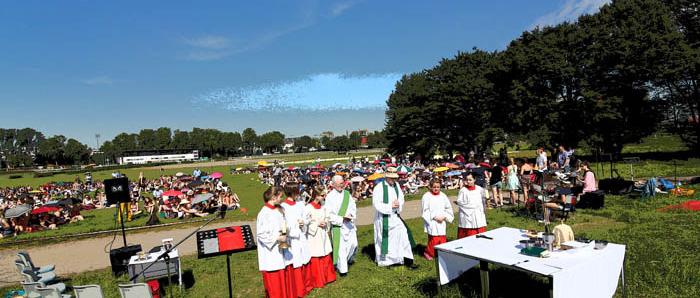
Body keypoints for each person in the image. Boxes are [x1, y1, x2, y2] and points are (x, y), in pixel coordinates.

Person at [372, 167, 416, 268]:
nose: (393, 180)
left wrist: (398, 204)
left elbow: (401, 198)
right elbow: (376, 204)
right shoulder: (379, 187)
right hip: (384, 218)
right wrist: (390, 206)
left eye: (394, 178)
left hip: (395, 216)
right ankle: (387, 262)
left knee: (403, 236)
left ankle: (407, 260)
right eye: (391, 178)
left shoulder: (396, 186)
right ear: (386, 177)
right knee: (386, 240)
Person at [256, 186, 295, 298]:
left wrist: (286, 231)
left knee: (284, 270)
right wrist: (277, 238)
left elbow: (284, 224)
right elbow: (261, 234)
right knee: (275, 276)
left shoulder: (279, 209)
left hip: (282, 247)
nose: (282, 199)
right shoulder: (264, 213)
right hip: (271, 251)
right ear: (273, 197)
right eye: (280, 196)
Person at [280, 182, 312, 297]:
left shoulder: (300, 204)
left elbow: (306, 217)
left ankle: (307, 285)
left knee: (305, 257)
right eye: (297, 191)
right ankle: (298, 288)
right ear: (292, 192)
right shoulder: (283, 207)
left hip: (302, 236)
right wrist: (293, 229)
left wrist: (304, 222)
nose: (299, 193)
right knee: (296, 261)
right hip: (292, 239)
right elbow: (283, 224)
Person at [324, 175, 357, 276]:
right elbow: (328, 214)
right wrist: (342, 219)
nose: (341, 186)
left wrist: (351, 214)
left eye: (342, 184)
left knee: (353, 244)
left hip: (349, 224)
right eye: (338, 184)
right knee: (341, 249)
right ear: (333, 185)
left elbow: (353, 206)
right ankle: (343, 270)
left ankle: (347, 260)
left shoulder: (347, 194)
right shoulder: (330, 197)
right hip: (338, 226)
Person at [304, 186, 336, 288]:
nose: (324, 197)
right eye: (322, 195)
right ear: (316, 196)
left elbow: (327, 216)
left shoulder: (323, 206)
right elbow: (305, 223)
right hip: (314, 235)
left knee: (325, 253)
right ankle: (318, 280)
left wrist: (325, 222)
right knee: (317, 254)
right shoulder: (308, 208)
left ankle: (328, 277)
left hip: (323, 233)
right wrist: (316, 224)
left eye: (325, 195)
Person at [420, 179, 454, 260]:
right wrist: (434, 217)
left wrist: (445, 216)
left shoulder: (443, 195)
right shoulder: (426, 196)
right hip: (432, 221)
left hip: (442, 220)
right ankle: (429, 252)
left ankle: (442, 252)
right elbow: (425, 210)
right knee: (434, 238)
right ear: (430, 187)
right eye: (434, 187)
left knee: (442, 237)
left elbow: (448, 207)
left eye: (438, 187)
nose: (436, 189)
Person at [456, 173, 487, 238]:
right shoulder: (463, 190)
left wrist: (483, 208)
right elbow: (460, 202)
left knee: (479, 230)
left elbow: (483, 200)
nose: (468, 182)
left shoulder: (479, 189)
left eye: (470, 180)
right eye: (467, 180)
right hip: (467, 215)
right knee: (469, 232)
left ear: (474, 180)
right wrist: (471, 207)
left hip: (478, 214)